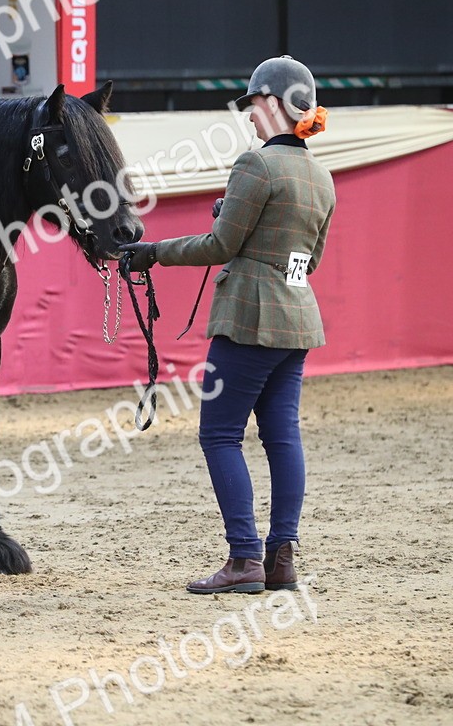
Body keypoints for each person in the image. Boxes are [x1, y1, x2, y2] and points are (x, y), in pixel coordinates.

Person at [118, 56, 335, 594]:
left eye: (255, 104)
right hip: (299, 320)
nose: (250, 116)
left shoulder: (256, 166)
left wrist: (153, 253)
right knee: (282, 436)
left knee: (218, 434)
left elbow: (221, 246)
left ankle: (244, 560)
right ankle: (281, 558)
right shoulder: (321, 175)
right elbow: (309, 260)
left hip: (249, 321)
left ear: (277, 103)